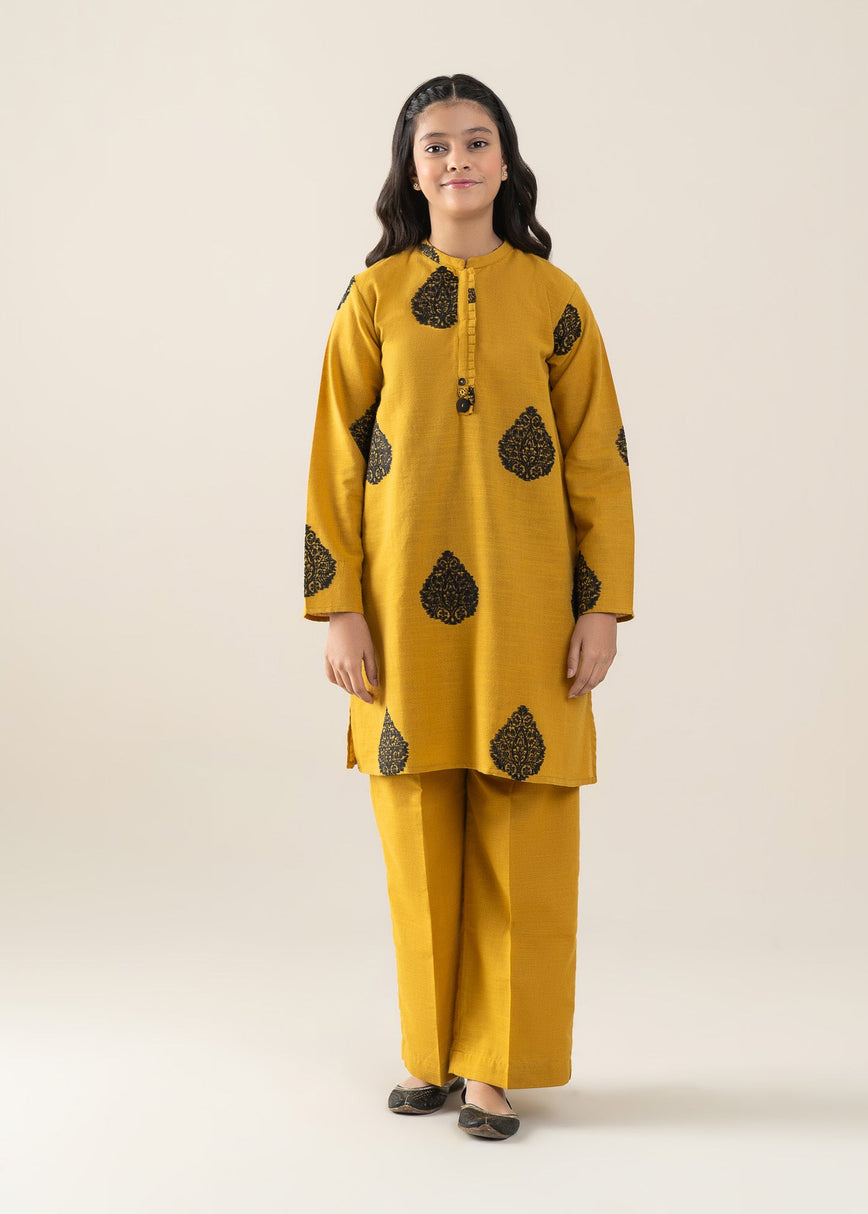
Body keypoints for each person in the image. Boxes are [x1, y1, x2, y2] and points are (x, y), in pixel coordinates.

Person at [303, 73, 635, 1140]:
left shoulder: (555, 297)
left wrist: (602, 605)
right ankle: (432, 1055)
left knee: (521, 829)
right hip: (398, 612)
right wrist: (337, 605)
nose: (457, 160)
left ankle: (493, 1066)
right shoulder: (371, 298)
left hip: (532, 609)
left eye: (476, 140)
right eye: (436, 145)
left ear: (506, 160)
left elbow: (599, 461)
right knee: (414, 828)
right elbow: (334, 458)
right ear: (412, 171)